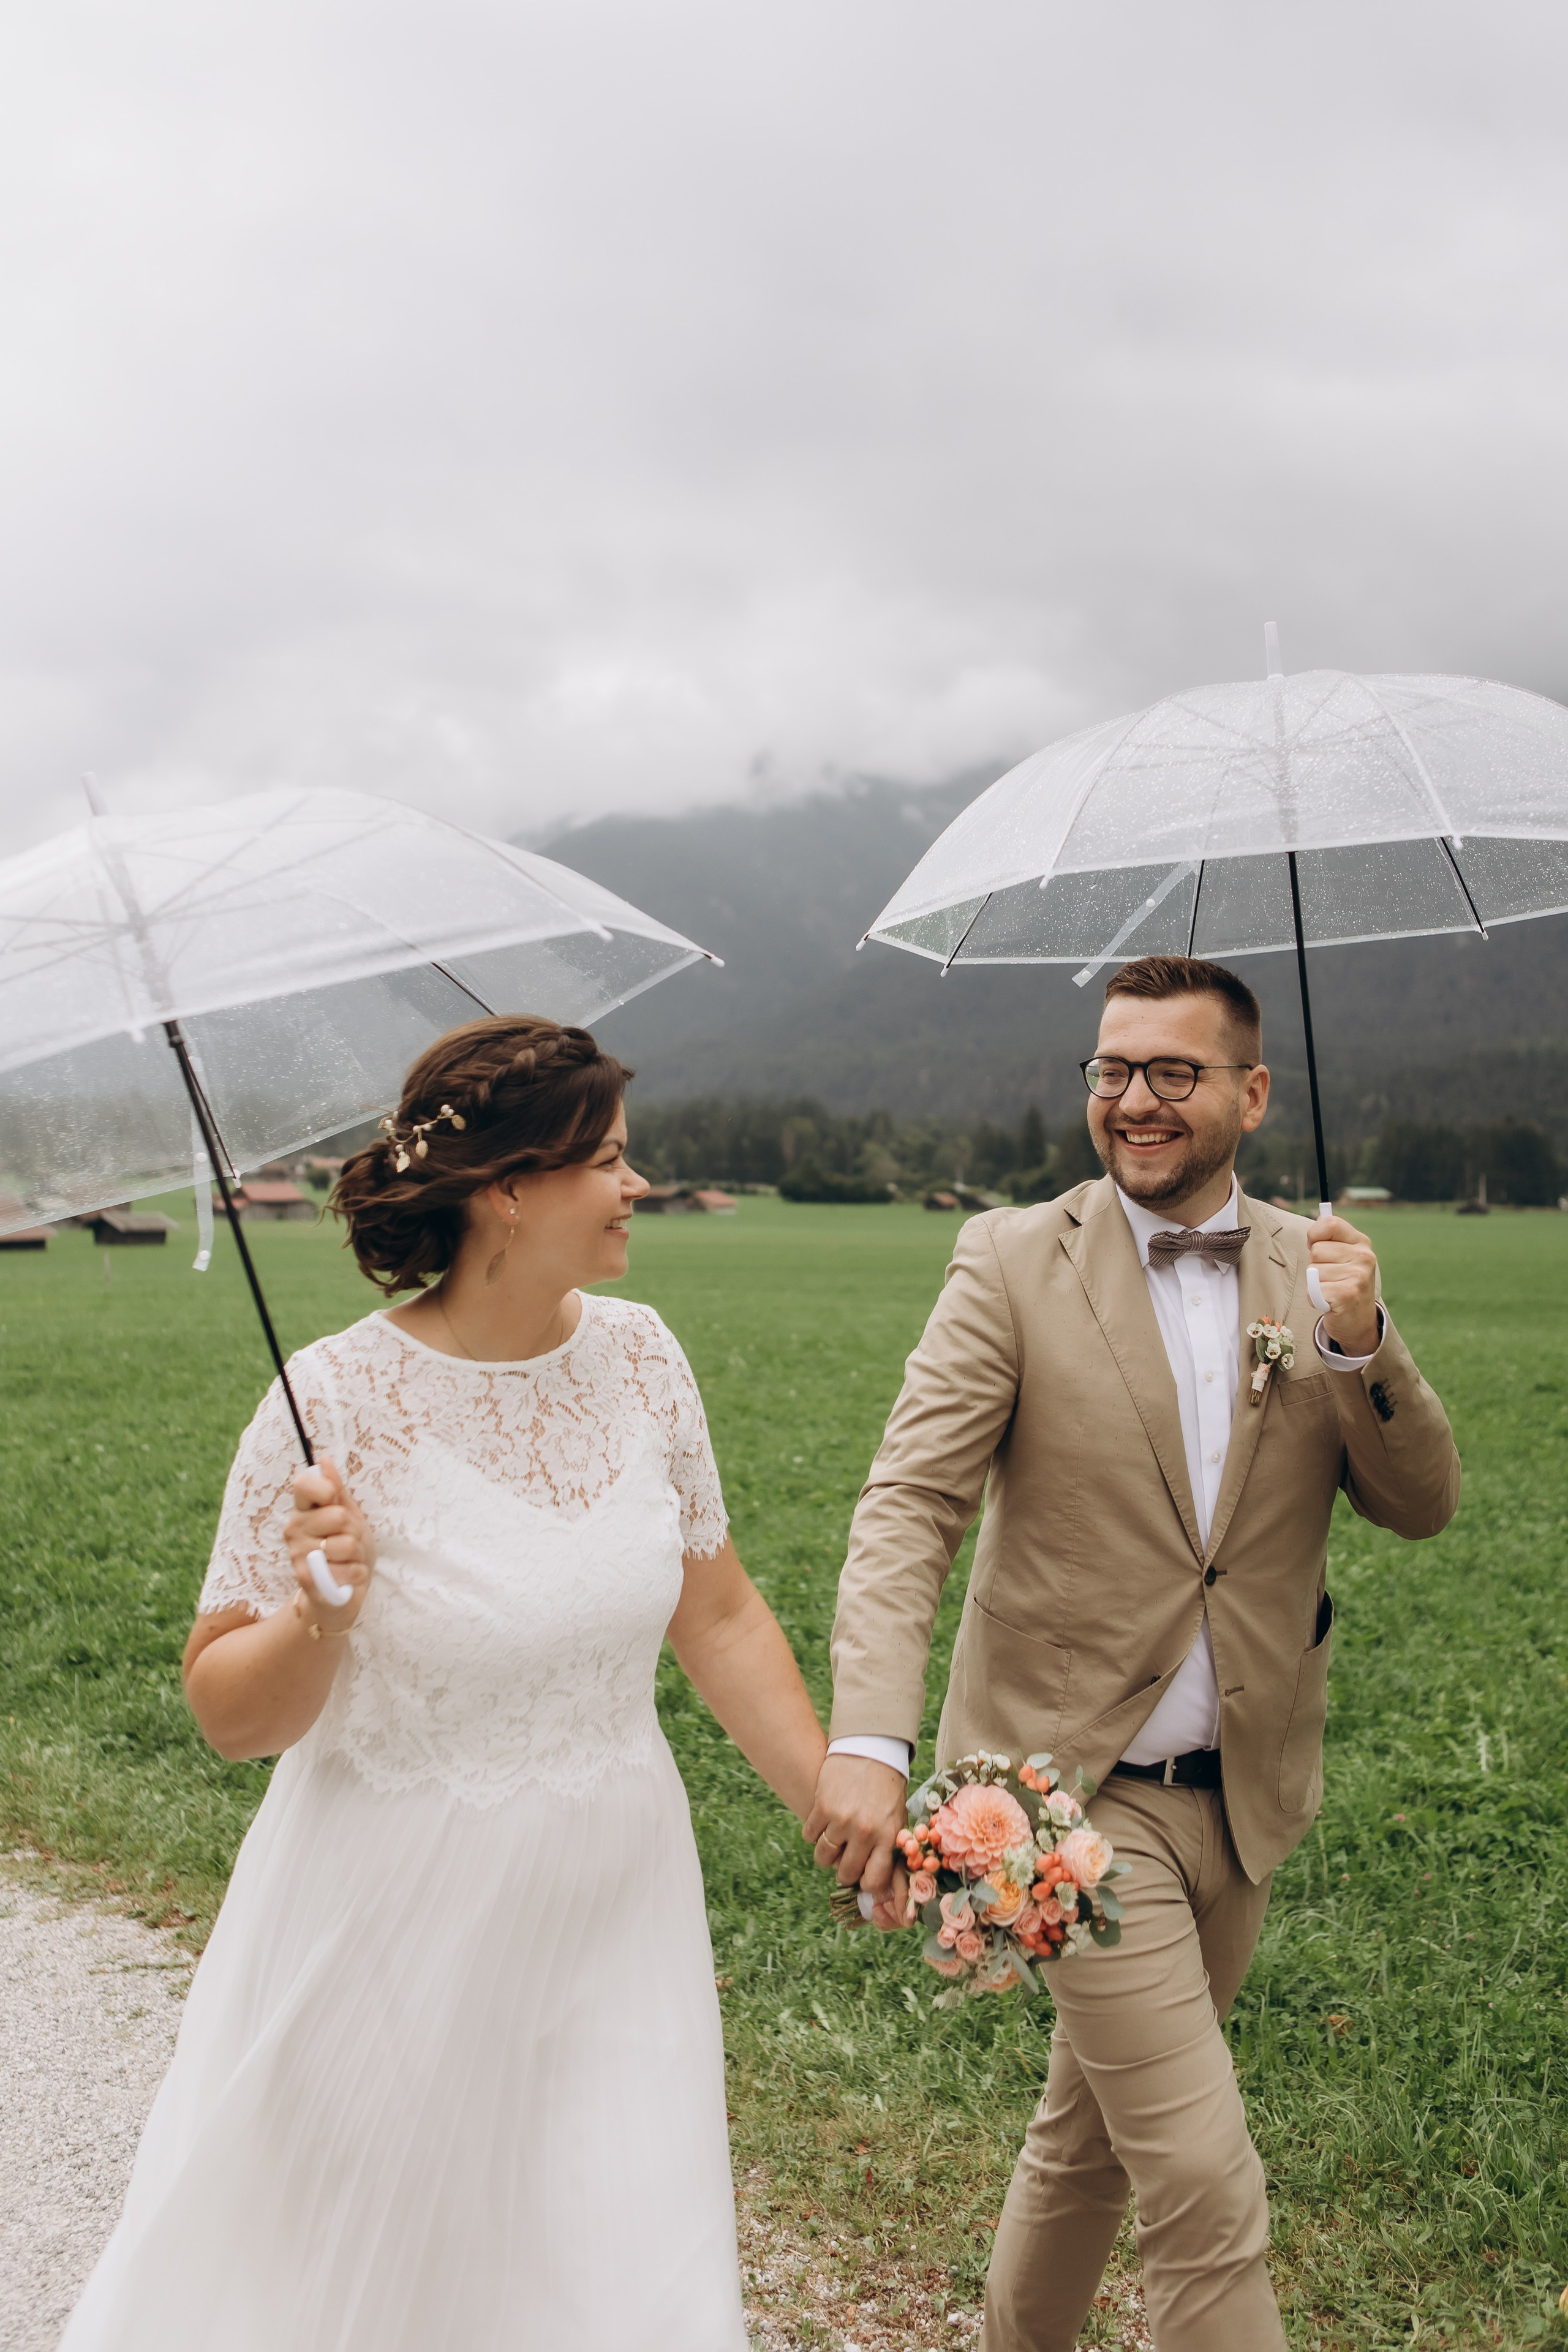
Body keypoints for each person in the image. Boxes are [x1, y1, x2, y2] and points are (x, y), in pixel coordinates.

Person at [64, 1016, 825, 2352]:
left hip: (618, 1901)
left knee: (610, 2266)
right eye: (608, 1162)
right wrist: (315, 1615)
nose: (634, 1186)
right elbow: (228, 1716)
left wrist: (839, 1808)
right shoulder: (330, 1404)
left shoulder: (644, 1359)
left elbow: (715, 1610)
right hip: (391, 1926)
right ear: (509, 1189)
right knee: (384, 2290)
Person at [804, 955, 1460, 2352]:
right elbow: (909, 1501)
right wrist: (868, 1737)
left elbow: (1420, 1508)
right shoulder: (1008, 1257)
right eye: (1111, 1071)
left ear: (1252, 1093)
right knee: (1204, 2188)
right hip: (1053, 1797)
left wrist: (1362, 1343)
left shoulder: (1312, 1268)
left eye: (1171, 1072)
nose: (1134, 1101)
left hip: (1242, 1798)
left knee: (1087, 2138)